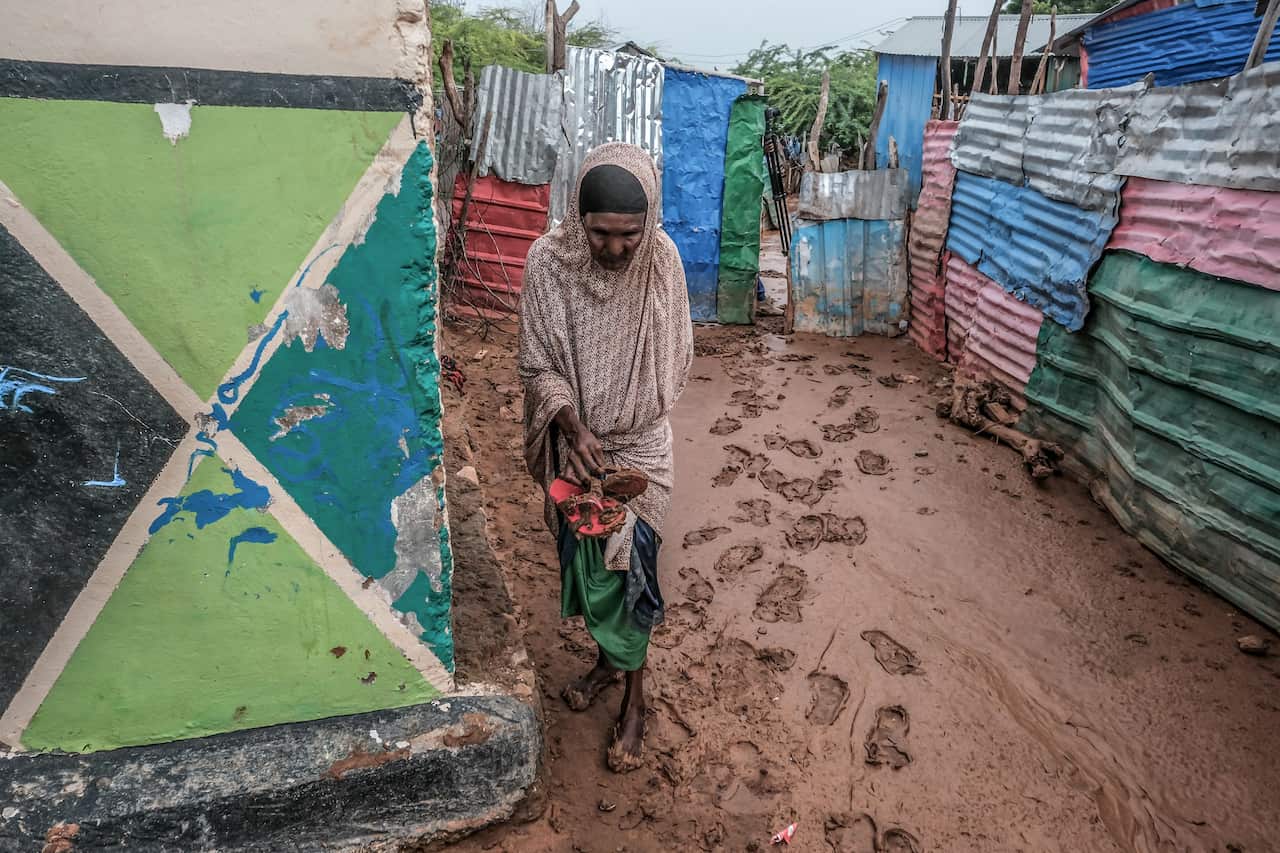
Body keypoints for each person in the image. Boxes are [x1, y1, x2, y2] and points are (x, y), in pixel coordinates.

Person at [518, 143, 693, 772]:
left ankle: (636, 702)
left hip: (642, 449)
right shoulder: (548, 263)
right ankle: (605, 662)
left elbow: (674, 362)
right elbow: (537, 362)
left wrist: (620, 423)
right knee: (587, 571)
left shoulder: (662, 263)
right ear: (576, 218)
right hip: (578, 447)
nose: (615, 251)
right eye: (600, 234)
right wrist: (573, 423)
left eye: (629, 235)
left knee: (632, 577)